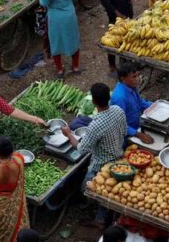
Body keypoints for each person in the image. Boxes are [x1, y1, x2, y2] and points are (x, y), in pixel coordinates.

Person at [61, 83, 126, 229]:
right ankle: (102, 213)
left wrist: (69, 134)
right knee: (106, 189)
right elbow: (124, 131)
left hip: (101, 166)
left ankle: (99, 218)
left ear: (94, 102)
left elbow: (81, 149)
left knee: (88, 189)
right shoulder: (118, 110)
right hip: (119, 156)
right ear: (109, 98)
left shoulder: (95, 125)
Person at [39, 0, 80, 79]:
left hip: (55, 17)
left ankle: (60, 70)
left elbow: (44, 4)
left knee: (55, 42)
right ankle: (75, 66)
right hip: (69, 15)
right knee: (73, 39)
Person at [110, 62, 154, 144]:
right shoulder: (120, 98)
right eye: (134, 77)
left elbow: (140, 103)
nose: (138, 78)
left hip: (136, 127)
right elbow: (119, 125)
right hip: (124, 136)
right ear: (123, 79)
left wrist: (155, 106)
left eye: (138, 75)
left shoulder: (132, 86)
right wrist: (139, 135)